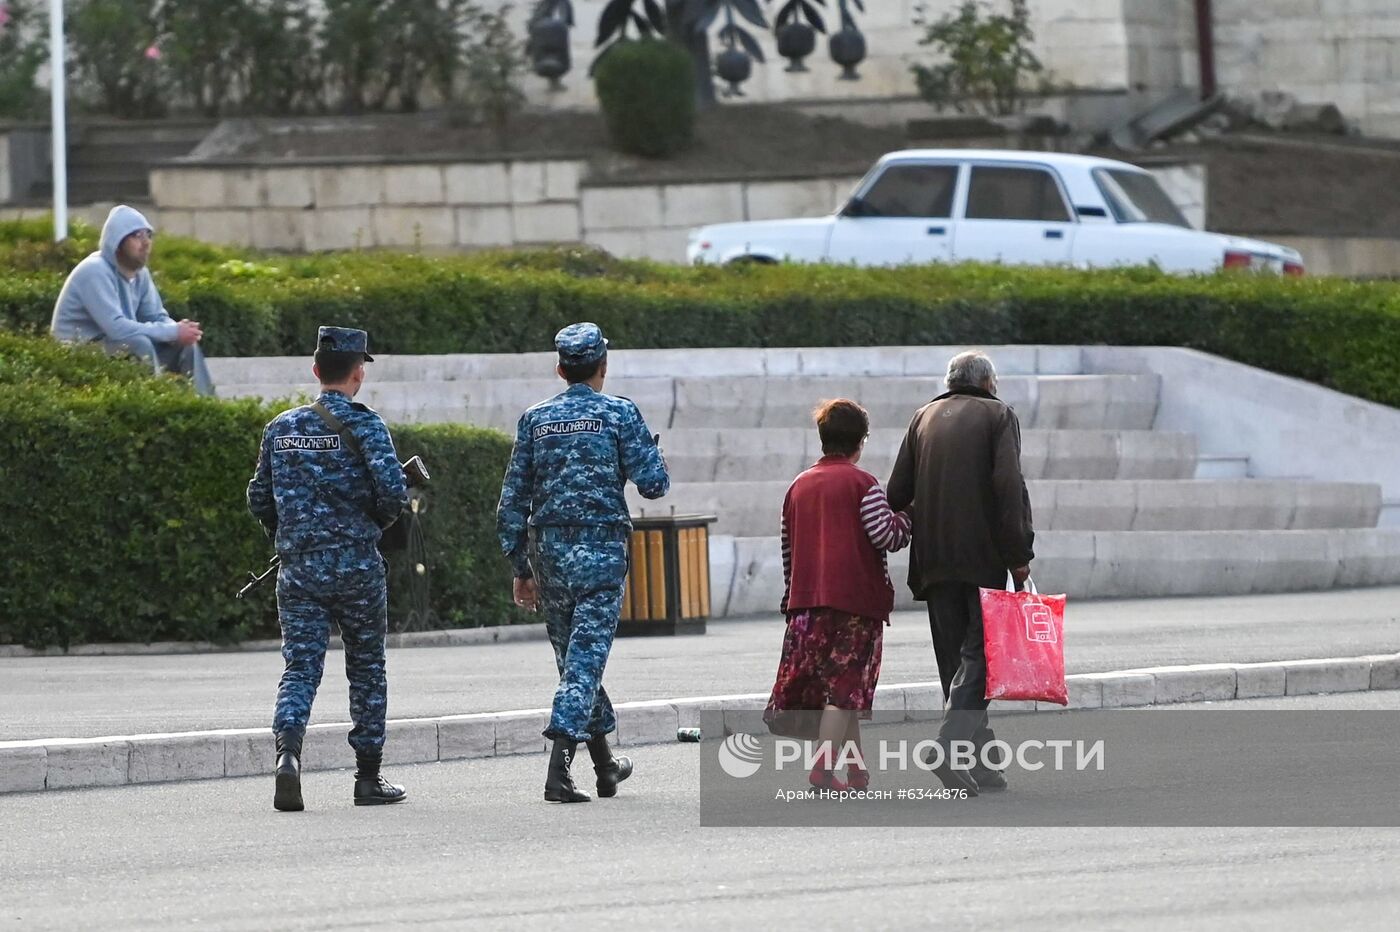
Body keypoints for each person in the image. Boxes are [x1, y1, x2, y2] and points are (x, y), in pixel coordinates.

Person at [496, 322, 670, 804]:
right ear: (603, 367)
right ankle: (558, 771)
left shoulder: (535, 419)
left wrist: (521, 568)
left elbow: (511, 501)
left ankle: (605, 764)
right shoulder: (619, 413)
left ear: (559, 368)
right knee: (585, 662)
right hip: (601, 552)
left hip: (549, 553)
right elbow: (654, 484)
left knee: (576, 662)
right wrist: (649, 451)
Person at [247, 326, 410, 812]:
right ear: (358, 372)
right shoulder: (367, 426)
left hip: (299, 570)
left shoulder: (280, 428)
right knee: (366, 668)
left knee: (300, 668)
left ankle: (288, 758)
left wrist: (291, 535)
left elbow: (259, 498)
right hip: (357, 565)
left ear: (316, 371)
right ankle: (368, 777)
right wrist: (369, 526)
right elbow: (394, 497)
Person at [886, 351, 1035, 796]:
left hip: (933, 560)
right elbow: (1009, 487)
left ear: (951, 382)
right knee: (982, 659)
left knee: (957, 662)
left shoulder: (922, 417)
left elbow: (896, 493)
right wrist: (1019, 554)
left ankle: (983, 766)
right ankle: (949, 747)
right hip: (982, 556)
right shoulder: (997, 415)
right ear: (989, 383)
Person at [764, 399, 912, 791]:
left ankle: (856, 770)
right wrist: (909, 517)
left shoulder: (797, 486)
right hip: (855, 604)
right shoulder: (864, 484)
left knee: (839, 691)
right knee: (844, 690)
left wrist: (790, 597)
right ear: (860, 442)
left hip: (806, 604)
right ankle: (823, 769)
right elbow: (887, 536)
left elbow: (787, 549)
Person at [49, 204, 214, 396]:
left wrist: (177, 332)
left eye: (148, 235)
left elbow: (156, 316)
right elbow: (116, 328)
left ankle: (207, 407)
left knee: (185, 345)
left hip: (115, 347)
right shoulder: (94, 271)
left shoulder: (140, 274)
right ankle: (155, 407)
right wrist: (171, 331)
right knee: (138, 343)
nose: (145, 243)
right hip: (78, 351)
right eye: (137, 236)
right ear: (117, 242)